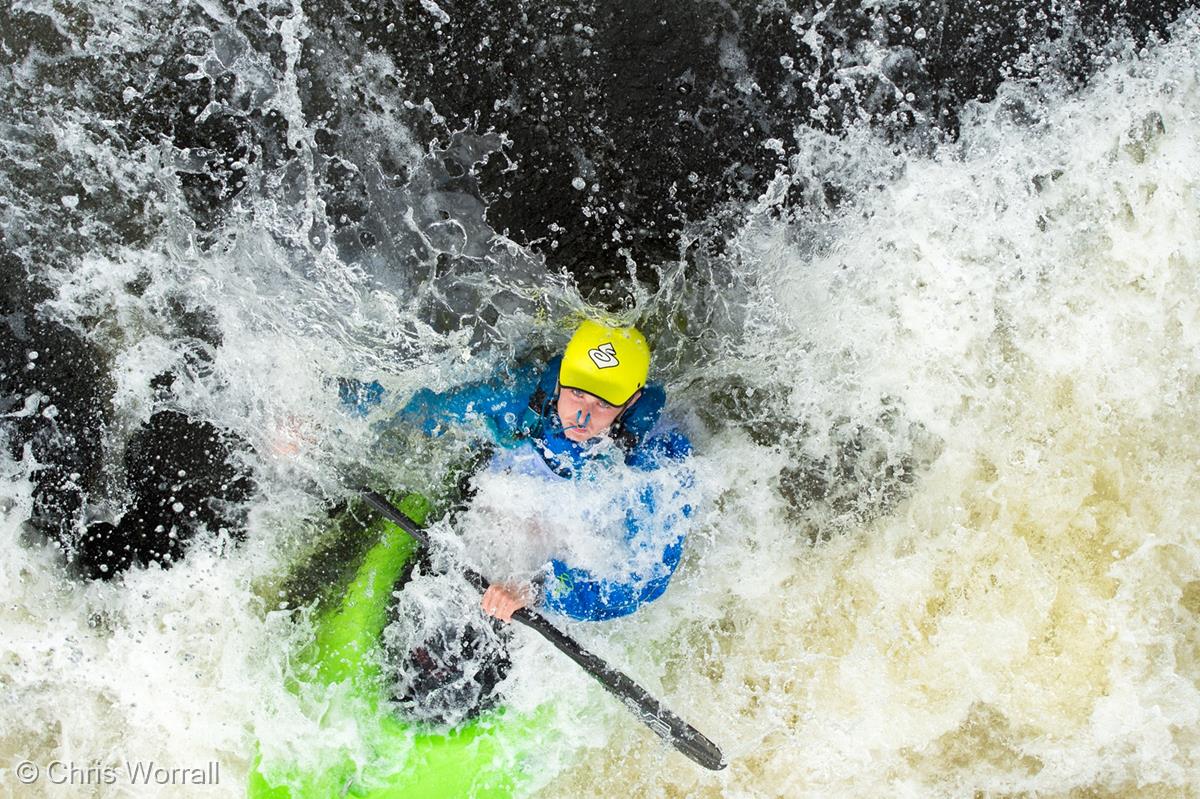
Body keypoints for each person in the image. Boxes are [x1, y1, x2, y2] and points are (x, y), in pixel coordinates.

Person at [341, 319, 695, 722]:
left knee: (461, 688)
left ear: (631, 401)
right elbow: (414, 405)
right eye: (577, 393)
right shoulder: (516, 400)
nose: (582, 415)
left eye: (603, 404)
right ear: (561, 380)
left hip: (548, 578)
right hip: (485, 533)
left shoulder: (659, 458)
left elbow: (643, 581)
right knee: (420, 663)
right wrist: (330, 420)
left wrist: (539, 590)